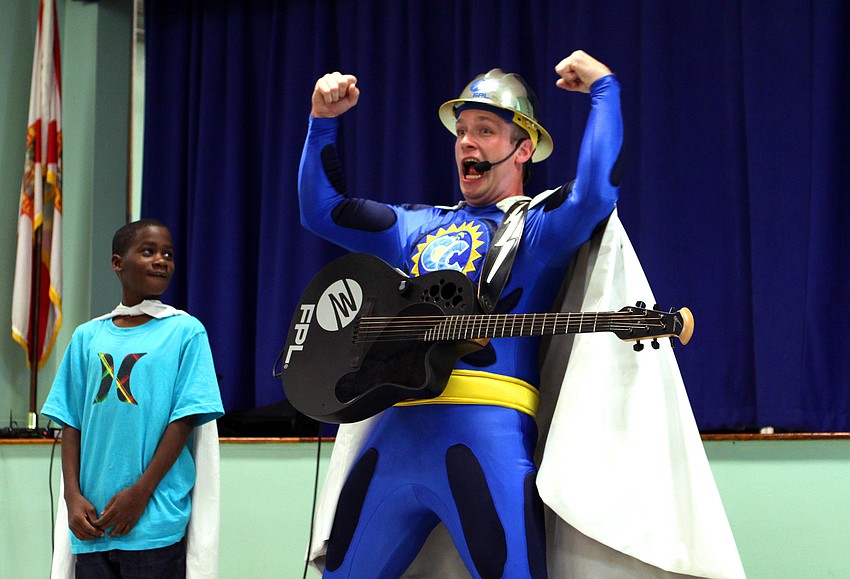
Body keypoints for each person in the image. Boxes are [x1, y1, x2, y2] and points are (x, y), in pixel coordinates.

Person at [298, 51, 622, 578]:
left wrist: (605, 90)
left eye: (486, 131)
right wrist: (322, 121)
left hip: (487, 433)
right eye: (462, 130)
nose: (467, 142)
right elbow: (320, 211)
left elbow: (594, 196)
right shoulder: (414, 226)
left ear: (523, 149)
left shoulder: (536, 229)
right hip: (397, 431)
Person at [42, 219, 225, 579]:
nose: (161, 261)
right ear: (117, 262)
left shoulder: (185, 331)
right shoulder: (86, 336)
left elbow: (185, 419)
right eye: (148, 251)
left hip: (152, 521)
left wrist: (141, 493)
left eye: (168, 254)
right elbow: (71, 422)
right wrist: (72, 497)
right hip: (91, 525)